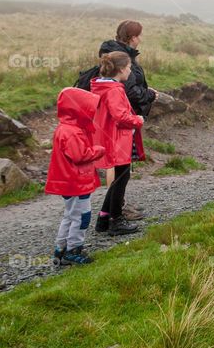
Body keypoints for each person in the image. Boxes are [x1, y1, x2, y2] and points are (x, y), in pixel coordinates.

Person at [99, 20, 156, 221]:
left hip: (117, 122)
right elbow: (130, 92)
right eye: (138, 35)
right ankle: (115, 212)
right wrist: (148, 96)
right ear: (132, 37)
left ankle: (111, 211)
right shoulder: (123, 60)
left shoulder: (113, 53)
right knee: (120, 167)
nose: (141, 39)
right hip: (122, 124)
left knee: (118, 167)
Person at [45, 87, 105, 265]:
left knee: (70, 215)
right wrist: (98, 150)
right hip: (76, 181)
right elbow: (79, 155)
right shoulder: (72, 132)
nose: (91, 113)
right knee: (82, 215)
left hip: (71, 181)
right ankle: (74, 249)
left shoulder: (67, 128)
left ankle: (61, 248)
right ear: (78, 109)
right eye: (88, 109)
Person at [91, 51, 146, 236]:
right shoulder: (114, 90)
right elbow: (120, 116)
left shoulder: (101, 87)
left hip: (109, 137)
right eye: (129, 67)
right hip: (118, 139)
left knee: (119, 178)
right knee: (121, 179)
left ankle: (103, 219)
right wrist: (137, 119)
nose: (131, 70)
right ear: (121, 69)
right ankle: (116, 221)